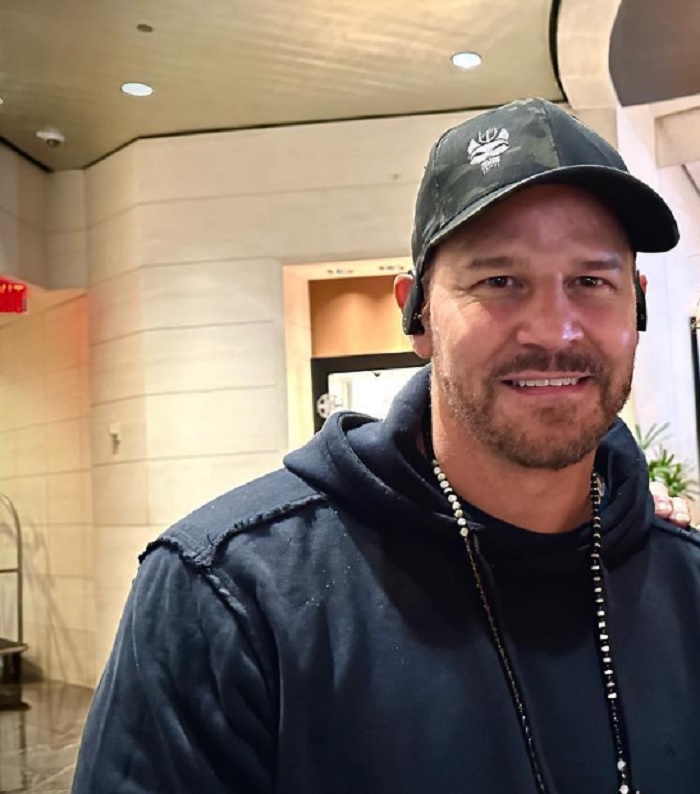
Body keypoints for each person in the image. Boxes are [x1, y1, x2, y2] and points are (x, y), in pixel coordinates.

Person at [72, 99, 700, 794]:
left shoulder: (685, 583)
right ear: (418, 313)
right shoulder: (229, 597)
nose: (555, 329)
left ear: (637, 304)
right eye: (499, 281)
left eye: (591, 282)